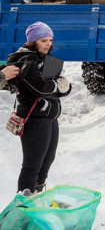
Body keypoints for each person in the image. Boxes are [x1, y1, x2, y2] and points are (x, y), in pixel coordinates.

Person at [7, 21, 71, 194]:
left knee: (47, 161)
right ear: (33, 41)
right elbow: (38, 87)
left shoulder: (47, 61)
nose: (48, 44)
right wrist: (58, 86)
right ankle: (24, 205)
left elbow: (56, 88)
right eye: (43, 40)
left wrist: (64, 87)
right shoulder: (24, 60)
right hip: (34, 118)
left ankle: (38, 195)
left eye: (50, 40)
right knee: (32, 165)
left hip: (50, 117)